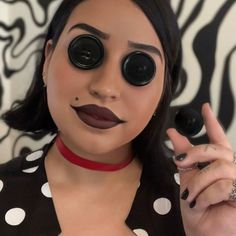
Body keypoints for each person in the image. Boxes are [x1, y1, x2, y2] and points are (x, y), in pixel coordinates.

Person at [0, 0, 236, 235]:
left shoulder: (199, 202)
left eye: (139, 68)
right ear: (48, 59)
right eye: (86, 52)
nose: (105, 87)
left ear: (163, 90)